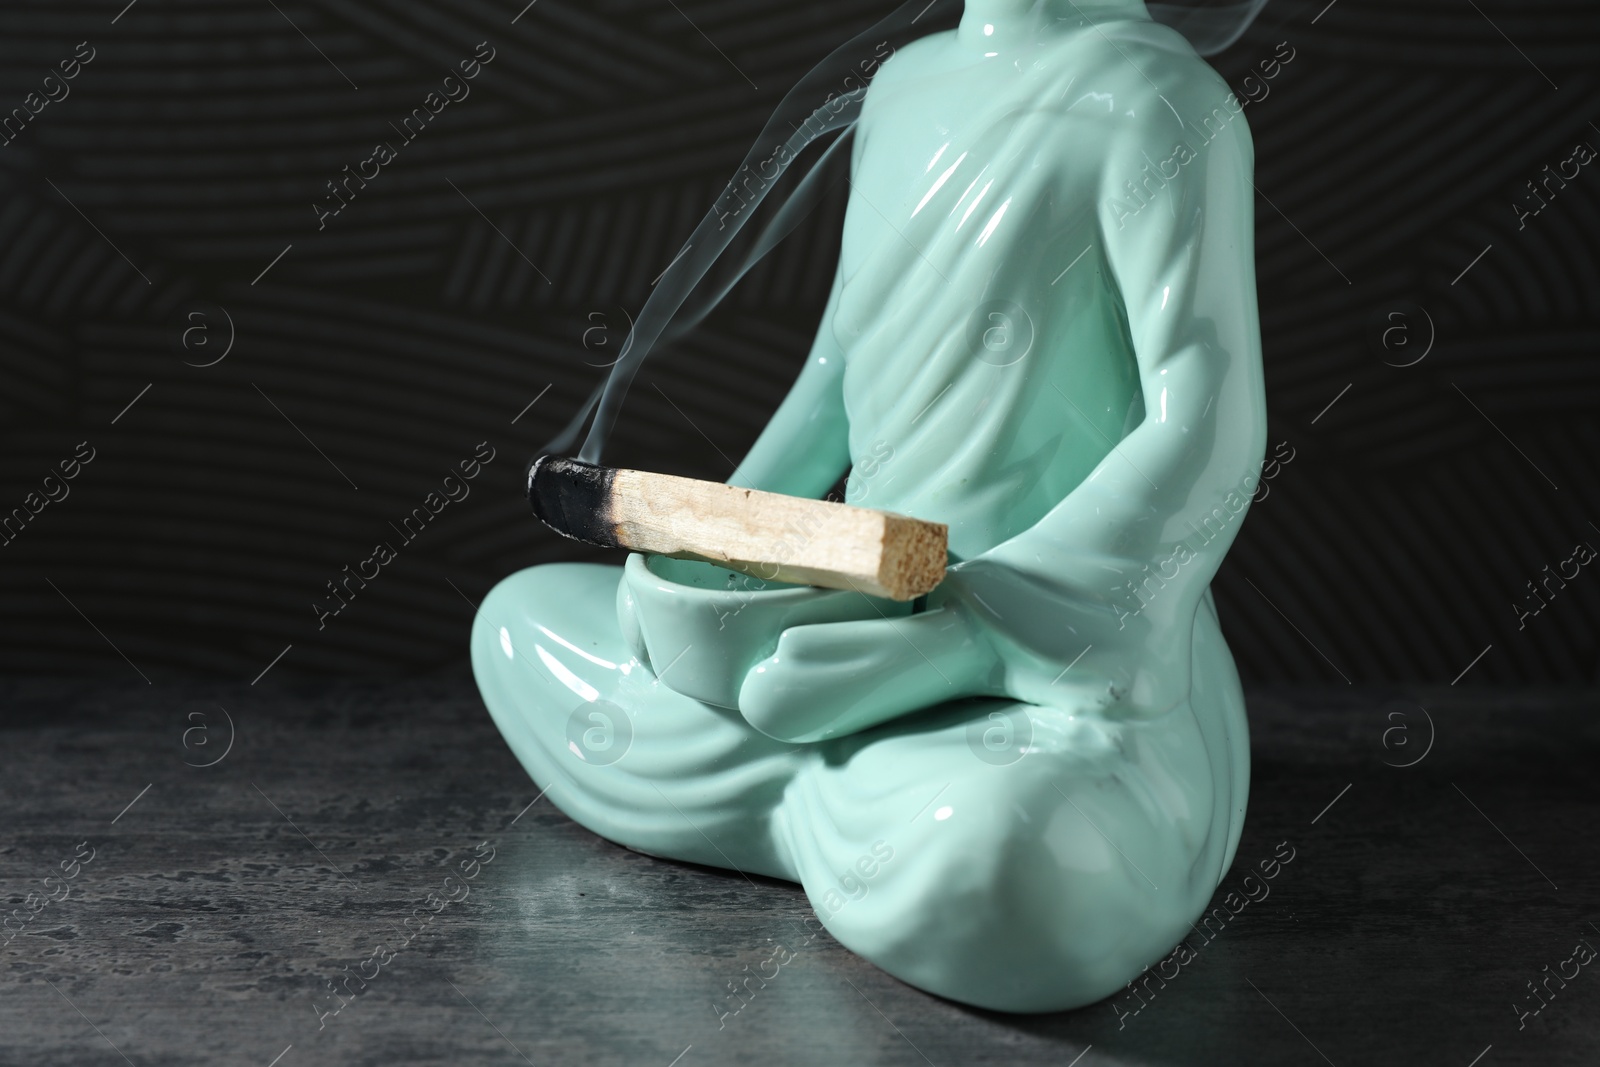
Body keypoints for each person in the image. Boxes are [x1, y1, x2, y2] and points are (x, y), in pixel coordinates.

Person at [473, 0, 1267, 1012]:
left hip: (1046, 650)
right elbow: (838, 369)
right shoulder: (904, 89)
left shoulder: (1158, 103)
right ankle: (830, 799)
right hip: (851, 601)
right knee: (521, 624)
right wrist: (714, 550)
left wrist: (982, 627)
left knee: (1013, 854)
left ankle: (852, 802)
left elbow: (1204, 412)